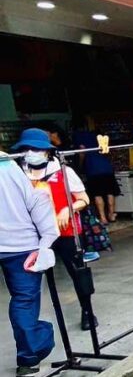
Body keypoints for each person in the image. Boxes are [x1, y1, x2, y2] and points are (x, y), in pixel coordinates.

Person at [14, 129, 97, 331]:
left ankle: (87, 311)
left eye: (36, 148)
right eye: (27, 149)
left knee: (77, 272)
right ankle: (33, 324)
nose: (31, 152)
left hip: (66, 231)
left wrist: (67, 209)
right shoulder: (18, 174)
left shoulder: (63, 171)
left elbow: (84, 199)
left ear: (46, 151)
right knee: (30, 280)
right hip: (35, 235)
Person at [0, 152, 59, 377]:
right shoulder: (13, 167)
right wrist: (44, 244)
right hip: (21, 246)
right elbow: (38, 202)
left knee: (23, 301)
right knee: (24, 301)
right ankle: (27, 360)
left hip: (18, 247)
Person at [76, 130, 120, 224]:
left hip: (92, 169)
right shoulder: (99, 135)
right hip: (106, 167)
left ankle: (103, 218)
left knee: (97, 194)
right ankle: (111, 215)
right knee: (110, 192)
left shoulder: (79, 135)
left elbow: (82, 150)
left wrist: (80, 165)